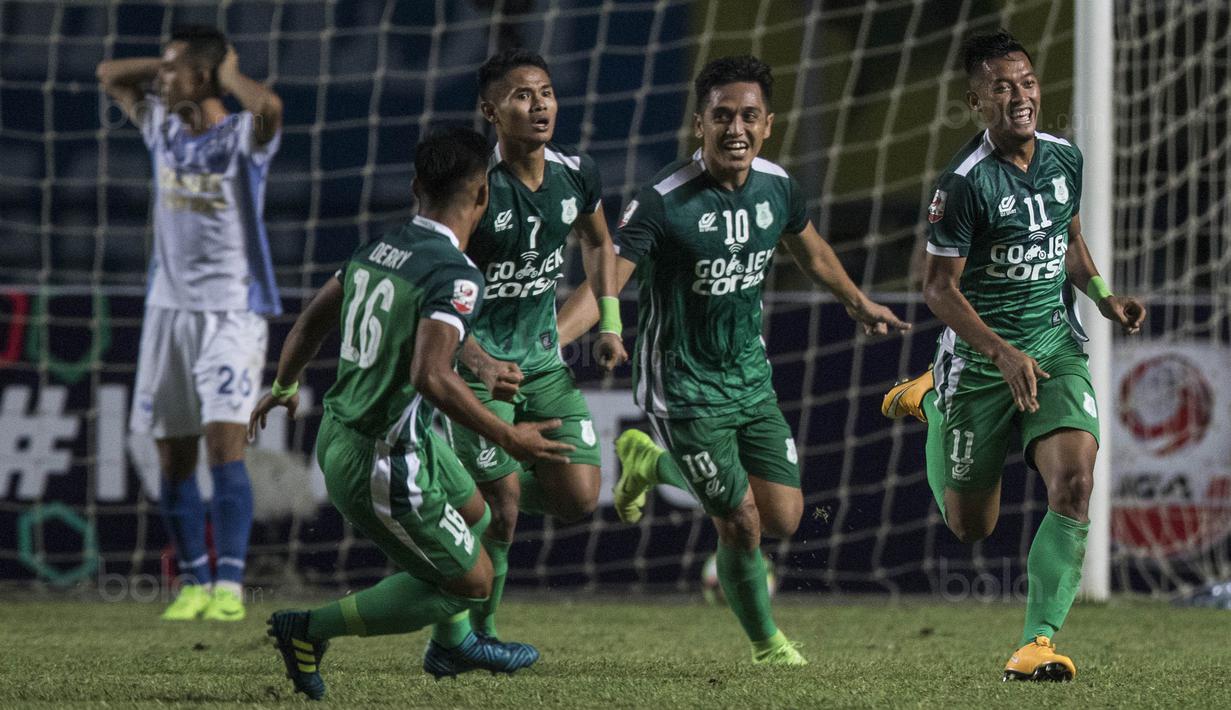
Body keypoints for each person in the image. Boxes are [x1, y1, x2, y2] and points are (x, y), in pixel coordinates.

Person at [556, 55, 910, 665]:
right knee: (741, 522)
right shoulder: (665, 200)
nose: (736, 128)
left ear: (768, 124)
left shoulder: (777, 186)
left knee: (785, 517)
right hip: (683, 386)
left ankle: (646, 461)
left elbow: (811, 247)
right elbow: (607, 274)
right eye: (722, 116)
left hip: (750, 377)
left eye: (748, 116)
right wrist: (558, 336)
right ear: (701, 124)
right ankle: (767, 645)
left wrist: (856, 301)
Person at [250, 126, 570, 699]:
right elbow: (432, 374)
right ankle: (308, 629)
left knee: (475, 513)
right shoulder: (458, 274)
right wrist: (510, 437)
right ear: (482, 196)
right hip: (382, 459)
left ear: (417, 187)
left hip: (364, 431)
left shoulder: (382, 246)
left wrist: (283, 382)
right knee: (470, 582)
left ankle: (452, 647)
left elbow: (315, 318)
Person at [880, 31, 1146, 681]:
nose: (1019, 97)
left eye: (1025, 83)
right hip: (978, 365)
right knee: (971, 527)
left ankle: (1036, 643)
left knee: (1075, 480)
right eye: (1001, 88)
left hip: (1052, 347)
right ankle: (934, 398)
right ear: (976, 101)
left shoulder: (1063, 160)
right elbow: (937, 290)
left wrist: (1104, 296)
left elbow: (1069, 242)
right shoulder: (963, 185)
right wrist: (998, 352)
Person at [96, 26, 285, 622]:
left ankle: (229, 587)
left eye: (175, 70)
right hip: (166, 314)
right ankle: (194, 584)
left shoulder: (241, 139)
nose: (161, 78)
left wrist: (222, 72)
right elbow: (108, 75)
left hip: (231, 314)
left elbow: (270, 108)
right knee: (172, 457)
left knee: (224, 447)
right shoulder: (163, 127)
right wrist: (172, 62)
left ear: (203, 78)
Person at [445, 49, 628, 642]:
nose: (540, 104)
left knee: (579, 497)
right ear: (491, 111)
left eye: (546, 92)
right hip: (477, 369)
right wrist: (474, 357)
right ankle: (480, 637)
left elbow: (601, 245)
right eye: (523, 95)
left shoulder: (577, 175)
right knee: (504, 510)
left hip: (543, 366)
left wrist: (610, 321)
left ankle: (458, 483)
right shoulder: (475, 189)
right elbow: (436, 283)